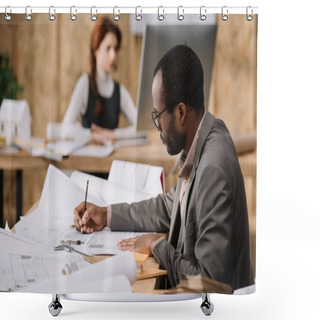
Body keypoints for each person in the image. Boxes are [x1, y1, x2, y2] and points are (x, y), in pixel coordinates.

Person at [74, 45, 254, 292]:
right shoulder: (204, 136)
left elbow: (209, 283)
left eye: (158, 116)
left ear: (181, 112)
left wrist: (157, 244)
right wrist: (106, 215)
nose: (157, 127)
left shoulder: (213, 170)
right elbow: (171, 206)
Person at [62, 17, 136, 144]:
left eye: (115, 48)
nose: (113, 55)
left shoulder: (119, 90)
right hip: (88, 160)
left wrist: (113, 134)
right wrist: (90, 135)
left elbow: (140, 128)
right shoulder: (85, 83)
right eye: (108, 48)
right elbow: (65, 129)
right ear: (96, 49)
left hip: (111, 160)